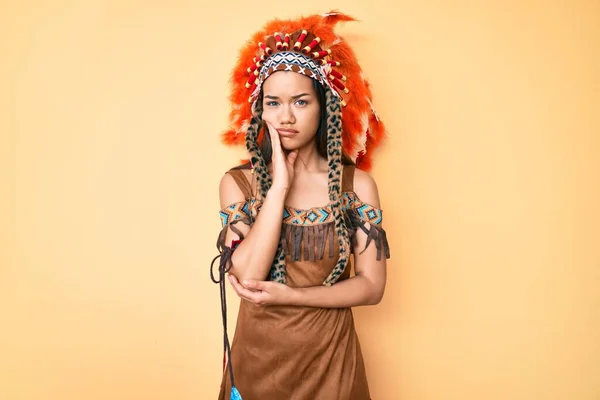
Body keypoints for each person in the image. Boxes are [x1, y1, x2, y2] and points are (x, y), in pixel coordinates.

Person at [210, 11, 391, 400]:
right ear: (260, 109)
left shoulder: (355, 185)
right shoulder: (237, 184)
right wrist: (278, 190)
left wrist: (294, 296)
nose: (286, 116)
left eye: (300, 101)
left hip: (331, 363)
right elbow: (247, 277)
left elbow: (372, 286)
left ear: (323, 105)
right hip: (258, 362)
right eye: (273, 102)